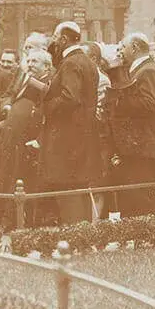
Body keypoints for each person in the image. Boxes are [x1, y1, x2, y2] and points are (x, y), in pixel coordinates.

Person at [38, 21, 99, 225]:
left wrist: (47, 102)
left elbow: (70, 98)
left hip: (67, 141)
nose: (53, 42)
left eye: (55, 38)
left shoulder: (71, 63)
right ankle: (80, 236)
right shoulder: (87, 62)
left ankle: (75, 240)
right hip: (81, 139)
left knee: (67, 191)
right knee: (76, 191)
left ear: (64, 39)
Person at [106, 32, 155, 216]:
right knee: (134, 196)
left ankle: (146, 239)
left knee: (140, 197)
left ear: (134, 48)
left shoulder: (148, 70)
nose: (120, 53)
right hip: (138, 145)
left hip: (142, 145)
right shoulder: (144, 69)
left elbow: (149, 103)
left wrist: (118, 101)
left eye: (123, 48)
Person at [0, 48, 51, 218]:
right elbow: (8, 95)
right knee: (7, 179)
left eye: (35, 62)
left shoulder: (47, 83)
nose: (30, 65)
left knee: (24, 184)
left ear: (46, 66)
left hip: (27, 141)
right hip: (11, 137)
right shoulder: (23, 77)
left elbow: (46, 112)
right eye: (29, 61)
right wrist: (8, 106)